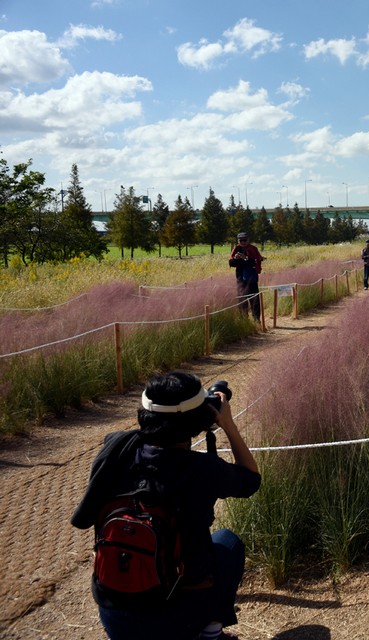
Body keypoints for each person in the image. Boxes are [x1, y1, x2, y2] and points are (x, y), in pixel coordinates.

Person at [72, 372, 261, 640]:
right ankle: (210, 635)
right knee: (228, 543)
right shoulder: (201, 470)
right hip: (170, 621)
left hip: (114, 613)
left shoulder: (117, 446)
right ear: (197, 421)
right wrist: (228, 424)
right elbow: (251, 480)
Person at [229, 232, 264, 319]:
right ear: (238, 241)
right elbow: (231, 263)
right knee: (242, 299)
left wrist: (246, 258)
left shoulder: (253, 249)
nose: (243, 242)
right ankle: (244, 319)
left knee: (254, 299)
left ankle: (256, 320)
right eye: (241, 240)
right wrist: (235, 259)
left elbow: (256, 262)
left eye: (245, 240)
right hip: (240, 278)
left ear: (248, 240)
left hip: (251, 278)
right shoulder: (236, 249)